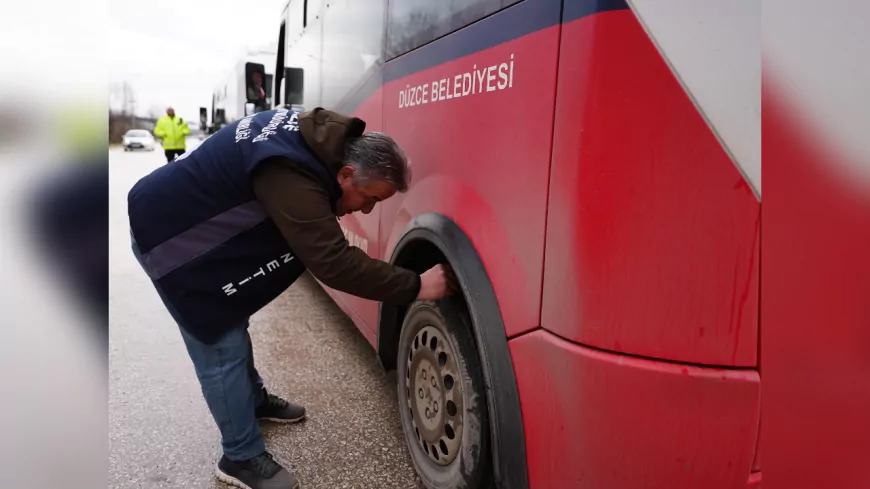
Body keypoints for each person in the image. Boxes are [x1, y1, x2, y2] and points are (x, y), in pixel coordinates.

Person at [127, 107, 453, 489]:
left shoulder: (315, 139)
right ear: (346, 174)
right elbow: (334, 263)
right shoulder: (291, 171)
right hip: (169, 237)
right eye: (371, 198)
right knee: (219, 337)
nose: (365, 209)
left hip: (185, 216)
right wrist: (417, 285)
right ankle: (240, 456)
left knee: (233, 312)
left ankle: (251, 401)